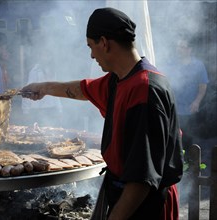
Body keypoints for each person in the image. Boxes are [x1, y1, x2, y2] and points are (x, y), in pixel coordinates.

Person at [21, 8, 183, 220]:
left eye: (91, 46)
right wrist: (43, 88)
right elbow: (83, 89)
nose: (91, 55)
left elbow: (142, 178)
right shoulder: (119, 79)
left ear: (104, 43)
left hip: (145, 205)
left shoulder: (144, 90)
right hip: (126, 196)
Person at [164, 38, 209, 151]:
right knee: (173, 138)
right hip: (173, 108)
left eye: (182, 47)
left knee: (189, 139)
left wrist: (197, 101)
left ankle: (188, 163)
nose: (178, 50)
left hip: (190, 108)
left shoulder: (198, 65)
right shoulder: (170, 64)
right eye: (178, 47)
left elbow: (203, 85)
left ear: (189, 50)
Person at [21, 47, 63, 127]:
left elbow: (55, 91)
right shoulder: (35, 71)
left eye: (48, 55)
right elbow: (27, 91)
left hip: (51, 109)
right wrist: (25, 111)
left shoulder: (52, 70)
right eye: (43, 55)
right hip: (37, 110)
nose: (46, 57)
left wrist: (59, 109)